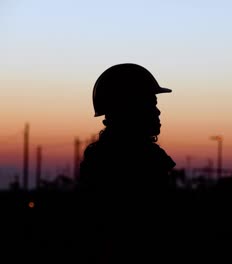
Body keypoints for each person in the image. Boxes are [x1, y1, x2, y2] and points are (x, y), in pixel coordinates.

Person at [76, 63, 176, 262]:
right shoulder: (141, 161)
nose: (158, 112)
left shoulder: (101, 156)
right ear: (129, 109)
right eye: (151, 104)